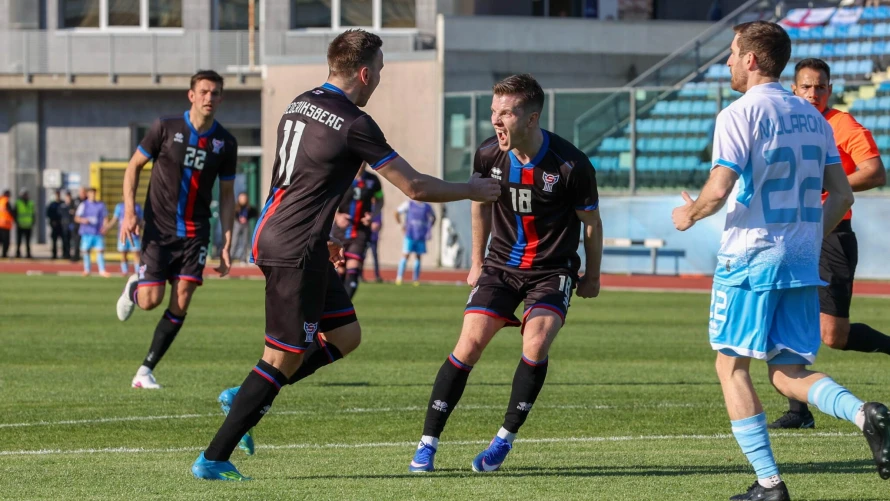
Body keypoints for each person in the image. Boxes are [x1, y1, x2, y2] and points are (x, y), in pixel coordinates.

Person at [191, 29, 500, 481]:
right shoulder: (355, 122)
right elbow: (414, 186)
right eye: (379, 70)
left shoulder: (299, 103)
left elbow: (302, 178)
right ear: (365, 73)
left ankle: (246, 395)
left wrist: (325, 235)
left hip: (291, 235)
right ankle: (214, 457)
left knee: (345, 335)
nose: (380, 79)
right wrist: (471, 189)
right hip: (294, 244)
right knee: (281, 357)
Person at [670, 21, 890, 500]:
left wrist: (689, 214)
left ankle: (770, 484)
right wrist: (808, 237)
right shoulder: (814, 118)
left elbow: (719, 189)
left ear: (751, 59)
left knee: (731, 368)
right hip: (800, 260)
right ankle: (864, 414)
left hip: (751, 257)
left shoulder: (739, 113)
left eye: (732, 53)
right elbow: (843, 194)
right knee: (786, 371)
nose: (728, 61)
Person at [408, 74, 602, 474]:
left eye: (507, 113)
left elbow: (591, 223)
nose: (496, 121)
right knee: (468, 344)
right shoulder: (487, 155)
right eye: (494, 112)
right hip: (499, 265)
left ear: (532, 119)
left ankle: (503, 440)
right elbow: (479, 203)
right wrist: (476, 262)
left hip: (551, 269)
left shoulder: (571, 165)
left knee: (536, 343)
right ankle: (427, 444)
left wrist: (593, 276)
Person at [767, 58, 890, 430]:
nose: (813, 93)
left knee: (833, 336)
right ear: (794, 90)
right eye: (806, 86)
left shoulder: (842, 124)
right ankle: (799, 412)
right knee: (784, 316)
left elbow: (875, 172)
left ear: (830, 90)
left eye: (820, 87)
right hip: (790, 233)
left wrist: (827, 186)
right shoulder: (786, 124)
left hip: (832, 234)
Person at [114, 69, 238, 390]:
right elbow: (133, 166)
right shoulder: (165, 128)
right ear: (191, 95)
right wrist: (129, 212)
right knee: (150, 300)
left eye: (215, 93)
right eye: (204, 92)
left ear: (221, 98)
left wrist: (226, 242)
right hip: (160, 229)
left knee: (182, 299)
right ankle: (135, 288)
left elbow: (227, 196)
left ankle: (145, 371)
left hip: (196, 233)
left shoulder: (226, 143)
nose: (209, 97)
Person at [332, 165, 384, 298]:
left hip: (361, 231)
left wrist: (373, 215)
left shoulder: (373, 180)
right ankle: (335, 305)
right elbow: (328, 199)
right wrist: (337, 216)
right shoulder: (341, 176)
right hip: (340, 231)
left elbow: (380, 199)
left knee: (353, 270)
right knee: (340, 269)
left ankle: (345, 305)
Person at [394, 200, 436, 286]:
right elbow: (396, 212)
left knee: (418, 257)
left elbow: (434, 217)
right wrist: (401, 226)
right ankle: (399, 277)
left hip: (421, 235)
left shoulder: (427, 206)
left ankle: (415, 279)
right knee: (406, 255)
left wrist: (428, 228)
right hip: (410, 234)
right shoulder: (409, 204)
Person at [75, 187, 110, 277]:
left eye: (94, 193)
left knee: (100, 251)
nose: (93, 195)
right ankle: (87, 270)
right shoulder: (84, 205)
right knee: (86, 251)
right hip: (86, 232)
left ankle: (102, 270)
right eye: (91, 193)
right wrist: (83, 220)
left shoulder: (101, 205)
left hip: (97, 232)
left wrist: (105, 227)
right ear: (88, 194)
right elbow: (76, 218)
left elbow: (105, 217)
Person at [107, 201, 143, 275]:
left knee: (136, 254)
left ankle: (138, 272)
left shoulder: (137, 207)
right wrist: (106, 228)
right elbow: (114, 219)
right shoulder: (119, 207)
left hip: (134, 236)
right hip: (123, 235)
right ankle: (124, 271)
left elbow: (141, 220)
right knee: (123, 254)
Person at [231, 192, 257, 263]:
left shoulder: (249, 208)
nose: (243, 199)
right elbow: (232, 214)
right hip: (237, 225)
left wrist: (246, 218)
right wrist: (238, 218)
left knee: (245, 242)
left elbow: (255, 213)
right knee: (234, 241)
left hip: (245, 225)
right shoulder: (235, 207)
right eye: (241, 198)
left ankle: (243, 258)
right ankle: (231, 257)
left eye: (244, 198)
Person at [46, 190, 71, 260]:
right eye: (56, 195)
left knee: (64, 240)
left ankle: (65, 254)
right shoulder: (52, 204)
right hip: (55, 226)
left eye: (59, 194)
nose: (58, 196)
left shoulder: (63, 203)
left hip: (62, 225)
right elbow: (48, 214)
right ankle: (54, 254)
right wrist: (52, 221)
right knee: (54, 241)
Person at [14, 188, 34, 259]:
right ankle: (18, 253)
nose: (25, 195)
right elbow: (15, 214)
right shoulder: (18, 203)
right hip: (20, 225)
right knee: (19, 241)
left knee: (28, 241)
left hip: (28, 225)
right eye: (24, 194)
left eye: (26, 194)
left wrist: (32, 222)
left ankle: (28, 253)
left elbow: (33, 214)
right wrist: (17, 222)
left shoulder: (31, 203)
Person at [367, 212, 384, 282]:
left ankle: (377, 276)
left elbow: (378, 225)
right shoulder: (366, 209)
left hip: (374, 238)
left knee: (375, 256)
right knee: (362, 256)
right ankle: (359, 275)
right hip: (365, 237)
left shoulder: (377, 211)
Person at [0, 189, 13, 258]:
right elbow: (11, 212)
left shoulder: (1, 201)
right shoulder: (6, 201)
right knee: (6, 241)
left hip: (1, 224)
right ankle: (4, 254)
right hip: (5, 224)